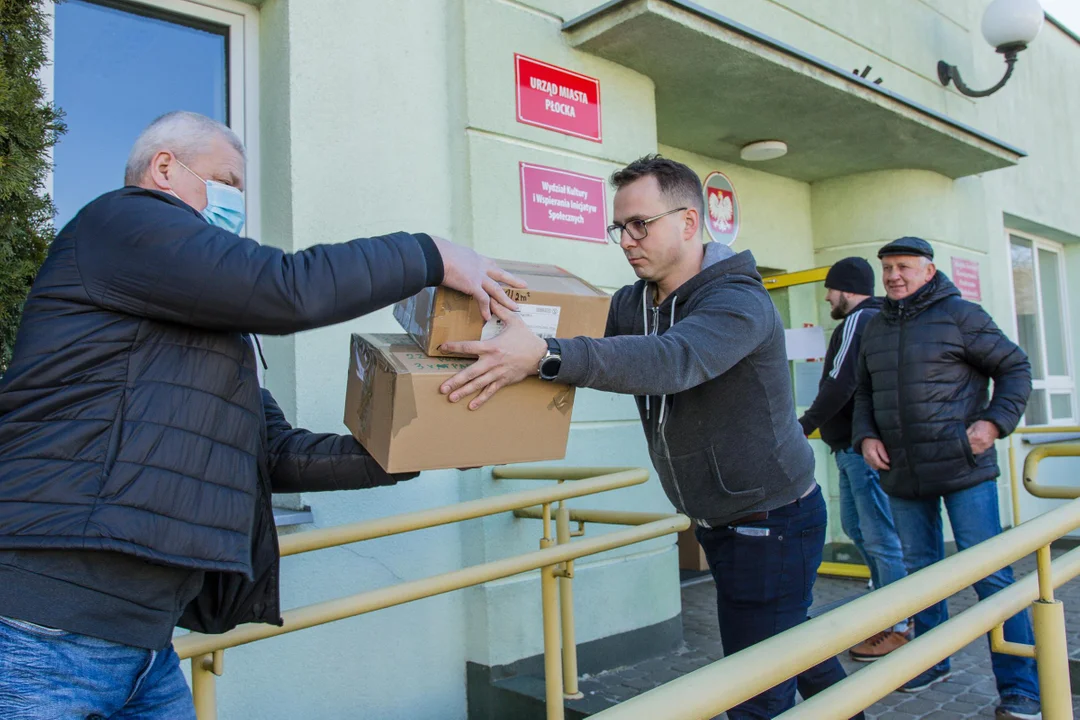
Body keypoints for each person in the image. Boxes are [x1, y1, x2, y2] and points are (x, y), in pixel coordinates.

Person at [0, 110, 521, 718]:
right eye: (227, 182)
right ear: (164, 167)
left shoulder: (201, 319)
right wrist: (428, 252)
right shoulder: (123, 221)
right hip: (42, 631)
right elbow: (285, 287)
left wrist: (415, 443)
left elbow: (274, 451)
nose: (236, 203)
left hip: (146, 644)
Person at [436, 155, 860, 719]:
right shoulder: (633, 302)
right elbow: (582, 362)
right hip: (716, 515)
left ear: (689, 221)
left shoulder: (739, 301)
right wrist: (481, 432)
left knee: (754, 689)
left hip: (772, 517)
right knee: (792, 643)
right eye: (619, 227)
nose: (626, 241)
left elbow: (670, 360)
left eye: (641, 224)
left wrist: (548, 354)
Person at [852, 237, 1038, 720]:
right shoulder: (874, 327)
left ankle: (1023, 690)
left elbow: (1016, 366)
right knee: (922, 578)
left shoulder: (961, 315)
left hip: (963, 469)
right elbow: (865, 393)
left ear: (928, 271)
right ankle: (931, 663)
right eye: (888, 267)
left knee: (992, 577)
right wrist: (866, 436)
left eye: (904, 267)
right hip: (902, 475)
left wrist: (994, 423)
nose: (894, 275)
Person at [797, 257, 910, 662]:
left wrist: (804, 424)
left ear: (846, 289)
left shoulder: (857, 322)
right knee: (860, 529)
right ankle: (888, 610)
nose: (827, 296)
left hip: (860, 449)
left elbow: (839, 381)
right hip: (854, 448)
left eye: (830, 288)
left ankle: (898, 623)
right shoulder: (877, 319)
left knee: (879, 536)